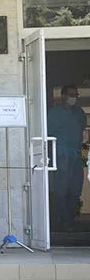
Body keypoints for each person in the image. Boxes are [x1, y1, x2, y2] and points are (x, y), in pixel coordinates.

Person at [48, 84, 87, 228]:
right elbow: (47, 134)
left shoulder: (79, 113)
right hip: (60, 154)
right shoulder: (54, 113)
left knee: (76, 188)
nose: (73, 98)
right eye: (71, 94)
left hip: (76, 154)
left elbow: (83, 132)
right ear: (63, 96)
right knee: (60, 189)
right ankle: (62, 220)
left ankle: (70, 219)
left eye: (75, 95)